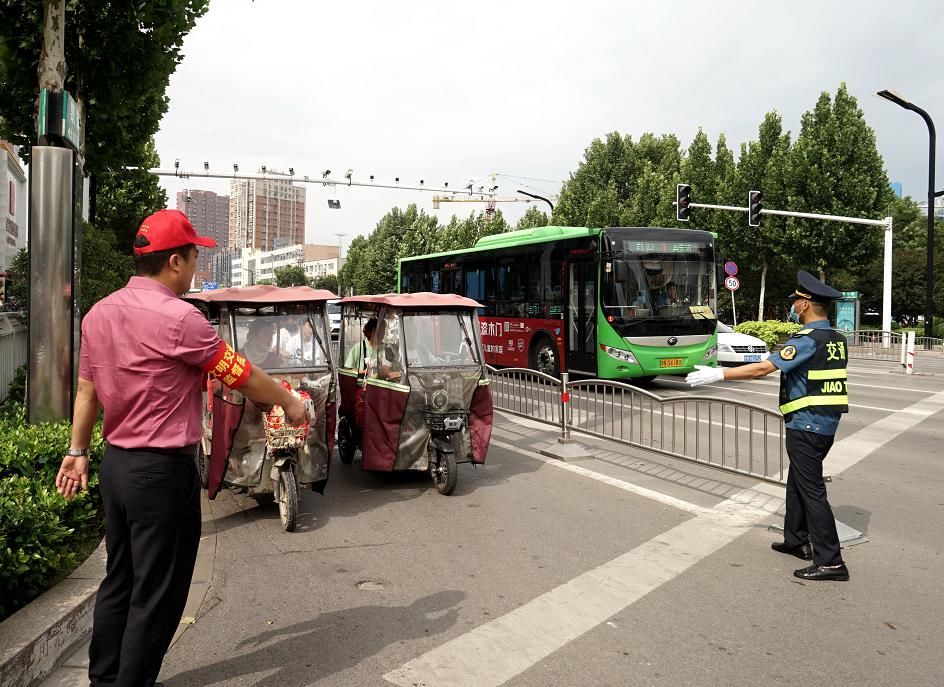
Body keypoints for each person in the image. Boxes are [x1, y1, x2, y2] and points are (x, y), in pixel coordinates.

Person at [54, 209, 310, 687]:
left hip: (117, 468)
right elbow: (241, 374)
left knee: (120, 582)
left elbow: (86, 392)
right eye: (195, 256)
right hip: (161, 476)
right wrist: (290, 402)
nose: (197, 267)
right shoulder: (181, 319)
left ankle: (103, 679)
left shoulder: (99, 313)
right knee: (158, 595)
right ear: (175, 261)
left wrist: (78, 450)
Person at [685, 270, 850, 582]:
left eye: (797, 301)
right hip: (825, 422)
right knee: (798, 481)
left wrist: (718, 375)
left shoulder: (806, 340)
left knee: (812, 490)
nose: (793, 305)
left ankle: (831, 561)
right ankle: (796, 540)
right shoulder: (836, 339)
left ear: (806, 305)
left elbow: (764, 367)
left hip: (807, 424)